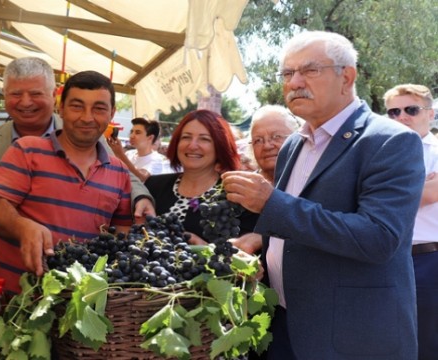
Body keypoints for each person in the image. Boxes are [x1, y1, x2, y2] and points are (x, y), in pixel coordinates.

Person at [221, 31, 424, 359]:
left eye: (309, 70)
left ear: (347, 76)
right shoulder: (293, 145)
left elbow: (378, 237)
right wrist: (260, 249)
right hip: (287, 326)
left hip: (351, 337)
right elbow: (294, 227)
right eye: (287, 73)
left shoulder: (390, 141)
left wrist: (271, 204)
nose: (295, 82)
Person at [0, 71, 133, 296]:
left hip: (75, 304)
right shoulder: (27, 150)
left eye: (99, 108)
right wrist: (23, 226)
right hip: (9, 297)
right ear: (60, 109)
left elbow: (121, 235)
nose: (87, 117)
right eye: (77, 106)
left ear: (112, 113)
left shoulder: (119, 171)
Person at [0, 57, 154, 219]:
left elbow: (121, 175)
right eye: (16, 94)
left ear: (54, 97)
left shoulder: (83, 131)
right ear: (4, 95)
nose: (26, 102)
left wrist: (141, 197)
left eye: (36, 94)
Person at [144, 110, 257, 245]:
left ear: (220, 146)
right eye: (186, 137)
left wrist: (203, 248)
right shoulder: (153, 186)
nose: (192, 146)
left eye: (204, 139)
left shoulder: (238, 196)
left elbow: (243, 258)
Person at [383, 84, 438, 360]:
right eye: (393, 111)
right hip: (385, 259)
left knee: (429, 343)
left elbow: (429, 195)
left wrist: (386, 191)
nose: (401, 117)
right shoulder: (378, 154)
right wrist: (419, 188)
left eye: (411, 109)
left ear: (430, 114)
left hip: (429, 260)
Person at [230, 105, 301, 256]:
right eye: (258, 140)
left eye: (276, 137)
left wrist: (264, 238)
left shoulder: (314, 184)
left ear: (300, 139)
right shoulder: (240, 189)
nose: (267, 145)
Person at [107, 117, 173, 181]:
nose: (132, 136)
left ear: (150, 138)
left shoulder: (157, 160)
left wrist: (121, 155)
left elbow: (142, 177)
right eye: (131, 132)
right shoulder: (129, 154)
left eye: (138, 132)